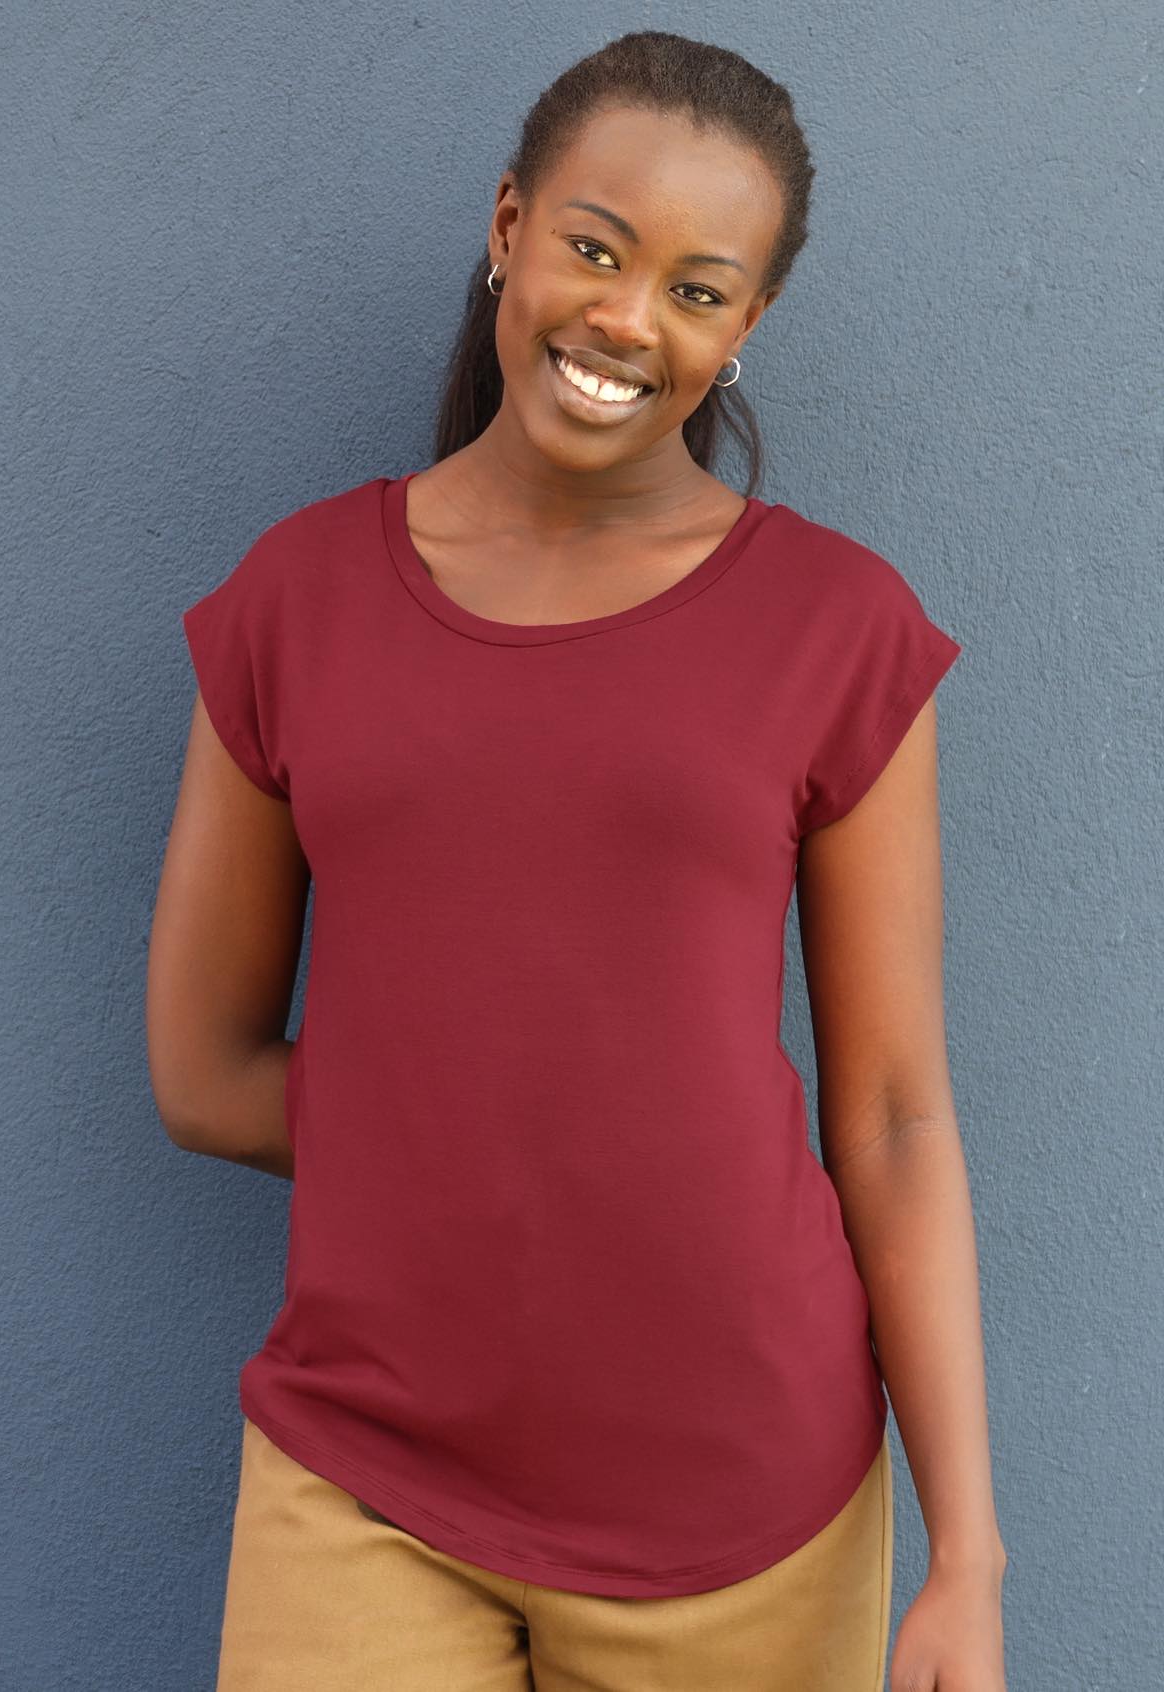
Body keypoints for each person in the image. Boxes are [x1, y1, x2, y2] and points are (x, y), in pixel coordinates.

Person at [146, 28, 1008, 1692]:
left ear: (746, 328)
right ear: (508, 228)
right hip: (364, 1485)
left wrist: (966, 1554)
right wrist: (477, 1152)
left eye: (700, 287)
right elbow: (200, 1073)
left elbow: (896, 1114)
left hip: (751, 1508)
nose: (628, 319)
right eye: (596, 249)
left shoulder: (838, 630)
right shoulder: (297, 602)